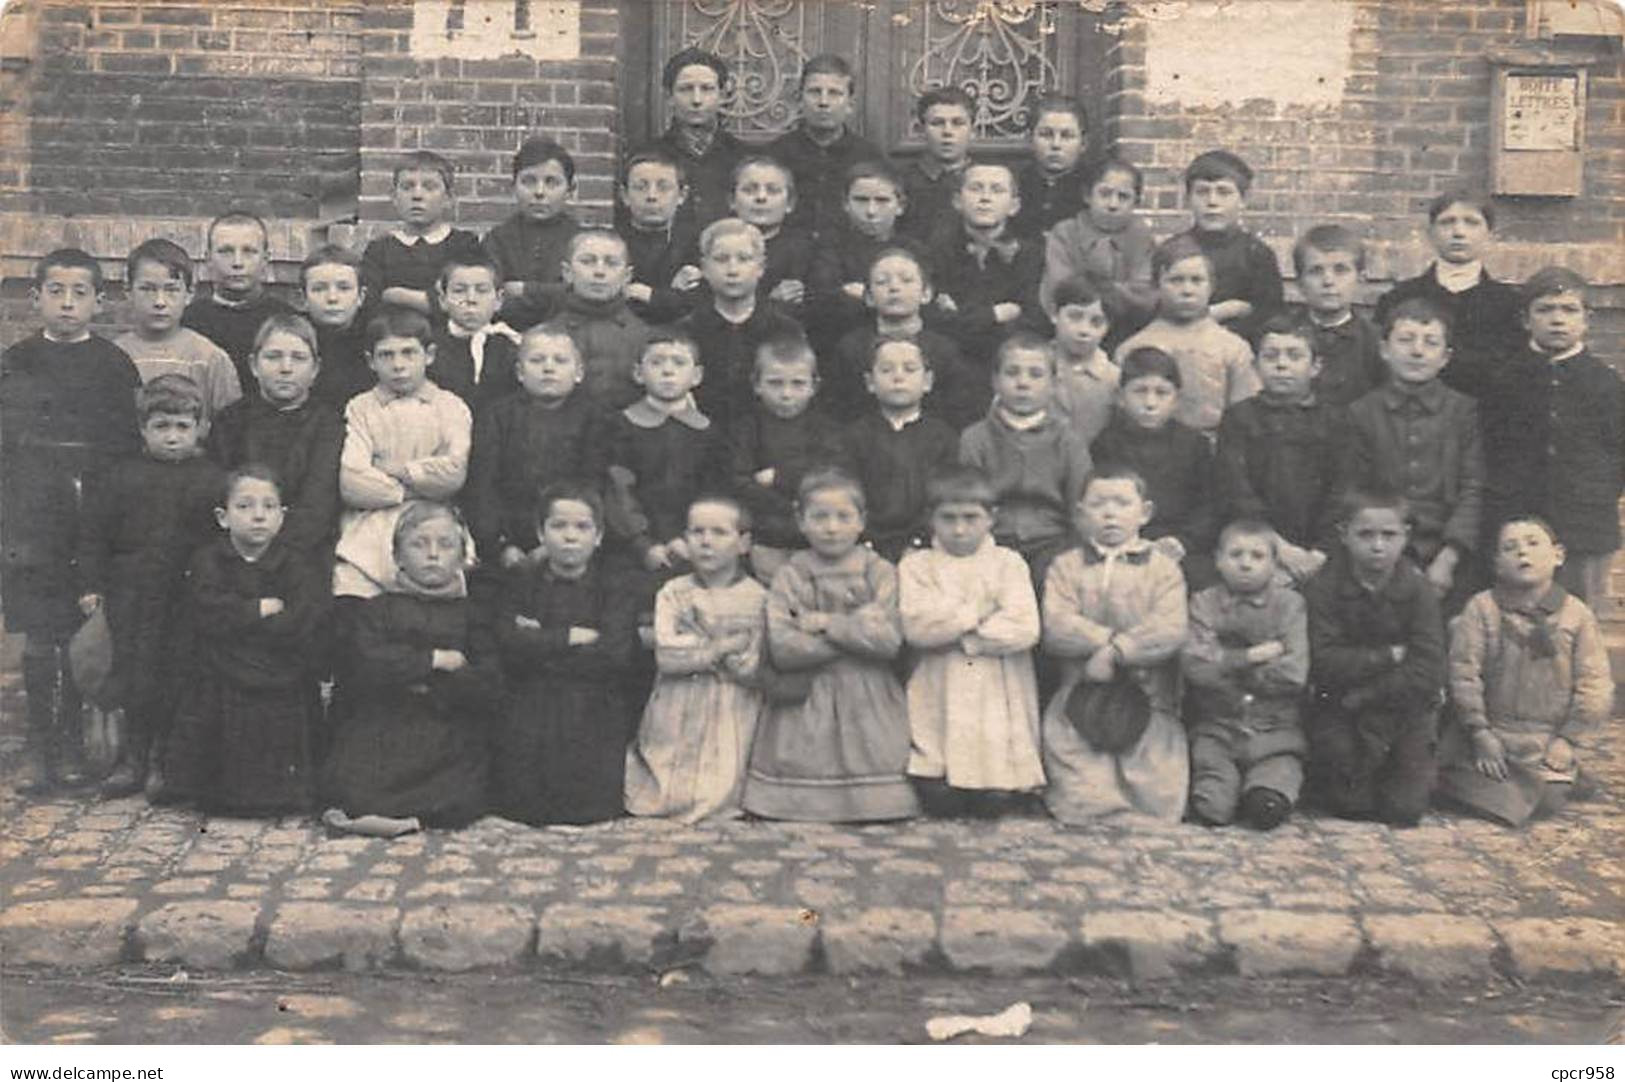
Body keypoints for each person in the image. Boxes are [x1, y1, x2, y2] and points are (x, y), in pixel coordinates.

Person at [1, 248, 141, 791]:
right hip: (33, 514)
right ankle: (44, 747)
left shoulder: (112, 364)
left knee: (84, 629)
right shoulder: (17, 361)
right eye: (55, 292)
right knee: (40, 633)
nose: (66, 303)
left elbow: (125, 447)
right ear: (35, 298)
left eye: (79, 293)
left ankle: (81, 745)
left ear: (99, 303)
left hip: (92, 510)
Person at [77, 374, 225, 798]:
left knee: (177, 676)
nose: (173, 437)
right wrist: (91, 585)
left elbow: (219, 543)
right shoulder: (121, 477)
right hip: (132, 596)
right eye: (162, 426)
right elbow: (93, 536)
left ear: (201, 428)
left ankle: (165, 760)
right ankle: (133, 758)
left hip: (185, 599)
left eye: (183, 426)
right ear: (143, 429)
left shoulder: (212, 479)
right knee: (135, 675)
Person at [742, 469, 919, 822]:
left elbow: (887, 641)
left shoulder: (879, 571)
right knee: (802, 751)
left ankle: (874, 803)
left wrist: (827, 625)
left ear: (862, 521)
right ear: (800, 520)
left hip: (868, 692)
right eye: (820, 517)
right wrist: (857, 632)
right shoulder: (791, 574)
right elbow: (784, 646)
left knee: (874, 750)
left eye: (843, 517)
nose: (832, 527)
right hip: (808, 695)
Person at [320, 502, 495, 834]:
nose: (433, 554)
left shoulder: (473, 615)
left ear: (462, 557)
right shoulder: (378, 610)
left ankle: (411, 817)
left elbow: (488, 677)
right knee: (353, 776)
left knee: (461, 788)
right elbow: (368, 661)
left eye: (445, 545)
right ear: (398, 556)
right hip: (388, 717)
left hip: (445, 719)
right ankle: (372, 812)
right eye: (419, 544)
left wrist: (434, 686)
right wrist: (434, 662)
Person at [165, 465, 324, 815]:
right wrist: (257, 609)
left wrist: (248, 625)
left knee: (282, 706)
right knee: (217, 697)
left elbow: (301, 617)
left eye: (269, 507)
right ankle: (224, 792)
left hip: (279, 663)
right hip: (224, 666)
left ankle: (283, 792)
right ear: (223, 517)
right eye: (245, 506)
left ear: (282, 517)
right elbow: (206, 611)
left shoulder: (295, 564)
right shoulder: (208, 560)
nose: (258, 516)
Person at [1040, 466, 1189, 824]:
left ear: (1145, 512)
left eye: (1122, 503)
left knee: (1156, 793)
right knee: (1081, 791)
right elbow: (1056, 625)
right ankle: (1096, 800)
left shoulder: (1162, 569)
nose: (1110, 513)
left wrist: (1119, 651)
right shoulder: (1066, 566)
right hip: (1082, 693)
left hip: (1148, 696)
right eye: (1098, 504)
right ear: (1079, 514)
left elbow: (1169, 628)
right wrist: (1101, 642)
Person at [1439, 517, 1612, 827]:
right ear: (1496, 564)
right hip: (1491, 734)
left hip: (1545, 739)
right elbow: (1464, 673)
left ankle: (1544, 780)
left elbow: (1595, 683)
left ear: (1558, 555)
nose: (1522, 554)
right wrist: (1480, 732)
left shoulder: (1577, 614)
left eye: (1533, 544)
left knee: (1546, 798)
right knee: (1440, 779)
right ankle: (1517, 785)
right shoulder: (1481, 608)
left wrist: (1568, 740)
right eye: (1510, 547)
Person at [899, 466, 1044, 816]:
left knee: (992, 752)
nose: (960, 529)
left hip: (996, 677)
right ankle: (941, 779)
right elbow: (917, 627)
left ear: (991, 518)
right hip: (939, 675)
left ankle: (995, 785)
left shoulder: (1009, 564)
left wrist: (967, 639)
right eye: (948, 518)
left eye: (970, 517)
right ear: (931, 519)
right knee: (939, 772)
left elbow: (1024, 627)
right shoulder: (918, 566)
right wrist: (974, 614)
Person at [493, 484, 640, 826]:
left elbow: (614, 654)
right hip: (532, 703)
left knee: (588, 801)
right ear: (540, 533)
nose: (570, 537)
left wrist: (538, 640)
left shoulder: (613, 588)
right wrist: (569, 637)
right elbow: (507, 645)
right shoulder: (521, 582)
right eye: (558, 526)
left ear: (599, 535)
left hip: (591, 706)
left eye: (582, 527)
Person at [1480, 266, 1624, 607]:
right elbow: (1489, 450)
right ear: (1526, 319)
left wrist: (1593, 494)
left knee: (1579, 623)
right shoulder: (1503, 381)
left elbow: (1619, 458)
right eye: (1545, 309)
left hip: (1585, 528)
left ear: (1587, 319)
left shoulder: (1607, 384)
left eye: (1569, 310)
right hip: (1516, 526)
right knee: (1513, 622)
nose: (1557, 319)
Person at [1303, 487, 1445, 827]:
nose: (1378, 545)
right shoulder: (1324, 587)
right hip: (1341, 709)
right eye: (1365, 534)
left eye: (1389, 535)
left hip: (1400, 709)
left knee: (1404, 811)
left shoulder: (1419, 589)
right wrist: (1387, 655)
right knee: (1349, 805)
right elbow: (1323, 659)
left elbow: (1426, 669)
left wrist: (1366, 692)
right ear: (1344, 535)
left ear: (1405, 536)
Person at [626, 495, 769, 822]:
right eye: (697, 532)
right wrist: (718, 649)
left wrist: (702, 648)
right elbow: (668, 656)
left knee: (722, 773)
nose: (706, 541)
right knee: (667, 770)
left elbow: (751, 664)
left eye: (719, 533)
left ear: (743, 543)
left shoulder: (758, 597)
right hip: (678, 700)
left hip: (731, 704)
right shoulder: (674, 592)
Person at [1344, 297, 1483, 611]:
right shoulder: (1362, 413)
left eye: (1430, 342)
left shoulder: (1463, 411)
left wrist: (1448, 558)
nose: (1417, 351)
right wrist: (1394, 560)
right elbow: (1356, 490)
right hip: (1380, 553)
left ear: (1445, 357)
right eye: (1405, 340)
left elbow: (1472, 487)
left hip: (1448, 554)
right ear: (1384, 350)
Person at [333, 306, 472, 601]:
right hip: (369, 531)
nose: (398, 365)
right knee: (355, 601)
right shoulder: (360, 408)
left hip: (434, 525)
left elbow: (452, 474)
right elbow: (352, 481)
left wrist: (391, 469)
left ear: (429, 355)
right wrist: (416, 486)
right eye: (387, 355)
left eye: (409, 353)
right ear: (371, 361)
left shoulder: (450, 407)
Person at [1181, 521, 1310, 830]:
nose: (1245, 564)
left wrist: (1223, 662)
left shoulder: (1289, 605)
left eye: (1257, 556)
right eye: (1236, 554)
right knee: (1212, 806)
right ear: (1218, 560)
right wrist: (1250, 657)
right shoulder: (1203, 603)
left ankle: (1265, 792)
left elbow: (1293, 673)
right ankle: (1219, 792)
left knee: (1268, 801)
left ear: (1275, 564)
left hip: (1274, 730)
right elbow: (1196, 668)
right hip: (1218, 726)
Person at [1215, 311, 1347, 585]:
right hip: (1257, 545)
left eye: (1294, 356)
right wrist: (1279, 549)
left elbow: (1342, 491)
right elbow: (1237, 491)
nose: (1282, 365)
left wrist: (1318, 554)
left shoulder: (1337, 421)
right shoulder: (1239, 418)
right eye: (1271, 356)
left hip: (1322, 551)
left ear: (1316, 366)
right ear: (1255, 365)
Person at [465, 323, 610, 570]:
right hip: (508, 539)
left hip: (570, 538)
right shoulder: (497, 416)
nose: (548, 367)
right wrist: (500, 545)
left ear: (579, 372)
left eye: (560, 360)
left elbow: (593, 484)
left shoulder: (594, 418)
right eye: (537, 360)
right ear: (520, 372)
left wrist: (551, 546)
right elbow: (483, 487)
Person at [959, 331, 1093, 587]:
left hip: (1053, 542)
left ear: (1053, 384)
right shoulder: (976, 439)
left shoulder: (1068, 441)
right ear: (995, 381)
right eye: (1012, 373)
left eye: (1035, 374)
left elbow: (1082, 507)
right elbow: (967, 502)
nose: (1023, 383)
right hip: (992, 543)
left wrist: (1072, 551)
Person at [207, 314, 344, 562]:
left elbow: (317, 503)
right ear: (253, 365)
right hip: (237, 551)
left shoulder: (327, 424)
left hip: (302, 554)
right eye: (273, 357)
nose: (285, 368)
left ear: (315, 369)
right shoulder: (231, 420)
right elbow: (218, 491)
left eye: (298, 358)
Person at [1374, 190, 1521, 400]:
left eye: (1471, 222)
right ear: (1430, 233)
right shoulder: (1399, 298)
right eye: (1447, 222)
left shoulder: (1510, 304)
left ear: (1490, 234)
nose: (1458, 232)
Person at [605, 331, 730, 577]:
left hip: (695, 546)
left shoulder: (708, 432)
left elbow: (714, 491)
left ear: (696, 376)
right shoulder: (621, 426)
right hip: (635, 549)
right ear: (639, 373)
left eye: (679, 363)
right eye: (657, 362)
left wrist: (690, 538)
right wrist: (643, 544)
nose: (668, 371)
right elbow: (618, 490)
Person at [1090, 347, 1217, 587]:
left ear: (1176, 399)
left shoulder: (1194, 445)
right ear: (1120, 397)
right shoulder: (1106, 444)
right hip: (1123, 541)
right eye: (1140, 391)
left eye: (1162, 393)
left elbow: (1208, 505)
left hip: (1180, 542)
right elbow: (1100, 502)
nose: (1150, 402)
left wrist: (1182, 542)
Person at [928, 160, 1049, 414]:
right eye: (976, 188)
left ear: (1014, 205)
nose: (985, 198)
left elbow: (1034, 318)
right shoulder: (938, 251)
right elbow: (936, 320)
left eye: (996, 190)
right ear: (957, 201)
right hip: (953, 366)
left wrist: (963, 315)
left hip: (1007, 363)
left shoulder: (1030, 255)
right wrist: (995, 314)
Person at [1113, 235, 1258, 439]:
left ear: (1211, 286)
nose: (1187, 290)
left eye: (1196, 280)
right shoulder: (1133, 348)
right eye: (1176, 280)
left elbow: (1245, 415)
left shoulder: (1233, 348)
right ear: (1157, 285)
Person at [675, 218, 803, 438]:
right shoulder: (686, 332)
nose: (732, 269)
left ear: (760, 267)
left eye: (743, 259)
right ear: (704, 268)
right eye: (721, 259)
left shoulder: (785, 331)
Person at [731, 334, 844, 584]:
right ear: (757, 384)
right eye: (775, 383)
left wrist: (778, 477)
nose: (786, 393)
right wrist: (786, 505)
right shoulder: (748, 428)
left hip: (816, 534)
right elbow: (739, 480)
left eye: (797, 384)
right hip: (766, 532)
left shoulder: (824, 428)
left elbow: (828, 474)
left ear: (814, 386)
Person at [826, 245, 975, 427]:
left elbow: (957, 411)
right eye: (882, 282)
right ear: (869, 297)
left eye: (906, 280)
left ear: (926, 293)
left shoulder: (944, 350)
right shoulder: (851, 348)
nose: (894, 287)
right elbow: (839, 411)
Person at [839, 338, 959, 562]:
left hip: (928, 547)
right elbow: (846, 494)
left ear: (927, 381)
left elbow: (945, 497)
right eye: (886, 370)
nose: (898, 377)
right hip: (863, 547)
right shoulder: (854, 437)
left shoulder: (943, 438)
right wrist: (864, 541)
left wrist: (919, 541)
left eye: (910, 369)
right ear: (870, 382)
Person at [115, 238, 241, 422]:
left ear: (189, 293)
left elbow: (230, 428)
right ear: (128, 291)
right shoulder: (114, 356)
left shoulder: (208, 359)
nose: (160, 302)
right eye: (148, 289)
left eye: (171, 289)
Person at [766, 54, 886, 240]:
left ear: (850, 104)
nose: (823, 102)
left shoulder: (870, 156)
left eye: (834, 93)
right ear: (800, 100)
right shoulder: (776, 154)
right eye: (815, 92)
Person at [1170, 149, 1283, 344]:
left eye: (1224, 192)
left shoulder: (1256, 254)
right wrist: (1224, 311)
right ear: (1188, 199)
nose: (1212, 202)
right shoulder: (1172, 251)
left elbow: (1270, 317)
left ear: (1244, 200)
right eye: (1202, 192)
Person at [1041, 155, 1157, 338]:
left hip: (1127, 331)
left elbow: (1144, 295)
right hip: (1072, 331)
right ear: (1087, 195)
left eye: (1123, 197)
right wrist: (1117, 290)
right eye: (1105, 194)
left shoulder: (1140, 237)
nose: (1113, 204)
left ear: (1136, 202)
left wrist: (1090, 289)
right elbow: (1060, 287)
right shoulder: (1065, 233)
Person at [360, 150, 485, 318]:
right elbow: (369, 304)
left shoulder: (464, 245)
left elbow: (467, 301)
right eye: (407, 187)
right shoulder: (379, 250)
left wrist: (398, 296)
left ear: (448, 198)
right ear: (394, 197)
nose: (417, 195)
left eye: (429, 187)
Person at [806, 160, 921, 338]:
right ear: (845, 204)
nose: (871, 211)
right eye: (861, 200)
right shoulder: (829, 248)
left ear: (900, 206)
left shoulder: (914, 251)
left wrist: (862, 294)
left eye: (882, 200)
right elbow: (823, 301)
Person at [182, 210, 294, 393]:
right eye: (226, 251)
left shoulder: (287, 320)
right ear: (207, 259)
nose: (237, 262)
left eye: (249, 251)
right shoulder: (188, 321)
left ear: (266, 259)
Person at [482, 135, 580, 323]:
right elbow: (493, 298)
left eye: (551, 182)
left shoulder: (582, 241)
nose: (539, 192)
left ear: (570, 189)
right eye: (529, 181)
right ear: (513, 187)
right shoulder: (498, 239)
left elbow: (581, 296)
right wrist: (555, 293)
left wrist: (525, 290)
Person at [549, 230, 652, 410]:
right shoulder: (548, 334)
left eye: (611, 263)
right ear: (567, 272)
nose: (599, 272)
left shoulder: (644, 337)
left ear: (627, 276)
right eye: (587, 261)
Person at [1291, 224, 1385, 409]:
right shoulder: (1281, 335)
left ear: (1360, 279)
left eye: (1340, 270)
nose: (1328, 281)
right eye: (1316, 271)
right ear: (1299, 283)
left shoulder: (1376, 343)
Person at [651, 47, 743, 234]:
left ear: (722, 95)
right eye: (686, 89)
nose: (696, 100)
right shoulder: (650, 156)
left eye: (707, 89)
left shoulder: (743, 156)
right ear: (669, 96)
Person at [617, 148, 703, 324]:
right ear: (624, 195)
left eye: (663, 187)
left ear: (681, 195)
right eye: (641, 187)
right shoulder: (610, 244)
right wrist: (673, 295)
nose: (652, 196)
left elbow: (699, 302)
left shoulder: (698, 246)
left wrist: (650, 296)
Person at [428, 254, 521, 410]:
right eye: (459, 291)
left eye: (481, 290)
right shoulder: (430, 347)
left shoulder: (512, 348)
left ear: (499, 300)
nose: (471, 299)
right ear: (443, 300)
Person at [729, 155, 811, 311]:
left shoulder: (807, 252)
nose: (761, 197)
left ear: (790, 203)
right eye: (749, 190)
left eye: (773, 190)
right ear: (732, 200)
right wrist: (770, 302)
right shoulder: (712, 247)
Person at [301, 244, 375, 410]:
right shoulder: (294, 340)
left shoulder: (375, 340)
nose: (332, 298)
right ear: (303, 298)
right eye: (319, 289)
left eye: (344, 288)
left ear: (361, 296)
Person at [1048, 276, 1119, 447]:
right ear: (1054, 313)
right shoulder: (1031, 367)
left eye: (1096, 322)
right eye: (1075, 317)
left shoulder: (1114, 380)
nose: (1084, 330)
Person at [898, 85, 973, 243]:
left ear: (972, 130)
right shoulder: (901, 181)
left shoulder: (985, 181)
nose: (947, 132)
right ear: (921, 129)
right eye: (937, 123)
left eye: (958, 123)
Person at [1011, 95, 1089, 238]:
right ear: (1030, 139)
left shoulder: (1092, 189)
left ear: (1083, 143)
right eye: (1046, 135)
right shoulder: (1015, 185)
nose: (1056, 144)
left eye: (1067, 136)